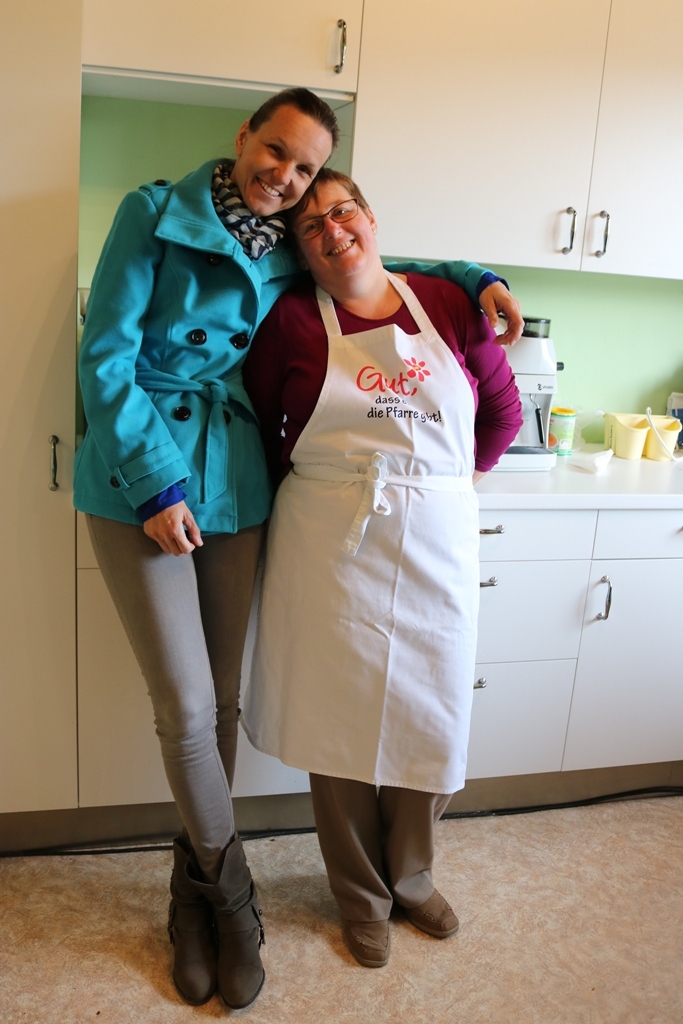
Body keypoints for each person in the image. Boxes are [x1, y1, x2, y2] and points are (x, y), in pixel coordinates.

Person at [74, 87, 522, 1008]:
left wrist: (476, 273)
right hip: (146, 476)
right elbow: (105, 357)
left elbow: (387, 265)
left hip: (235, 483)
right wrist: (154, 481)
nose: (286, 178)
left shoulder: (291, 237)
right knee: (187, 707)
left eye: (307, 170)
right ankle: (231, 901)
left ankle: (194, 892)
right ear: (244, 136)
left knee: (225, 703)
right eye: (275, 152)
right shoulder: (154, 214)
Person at [241, 168, 523, 969]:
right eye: (311, 226)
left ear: (368, 216)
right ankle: (360, 895)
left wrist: (448, 485)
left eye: (343, 212)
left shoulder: (446, 301)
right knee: (338, 723)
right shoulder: (291, 319)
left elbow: (501, 412)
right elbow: (268, 428)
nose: (333, 231)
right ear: (299, 250)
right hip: (332, 540)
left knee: (432, 714)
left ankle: (412, 877)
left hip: (435, 536)